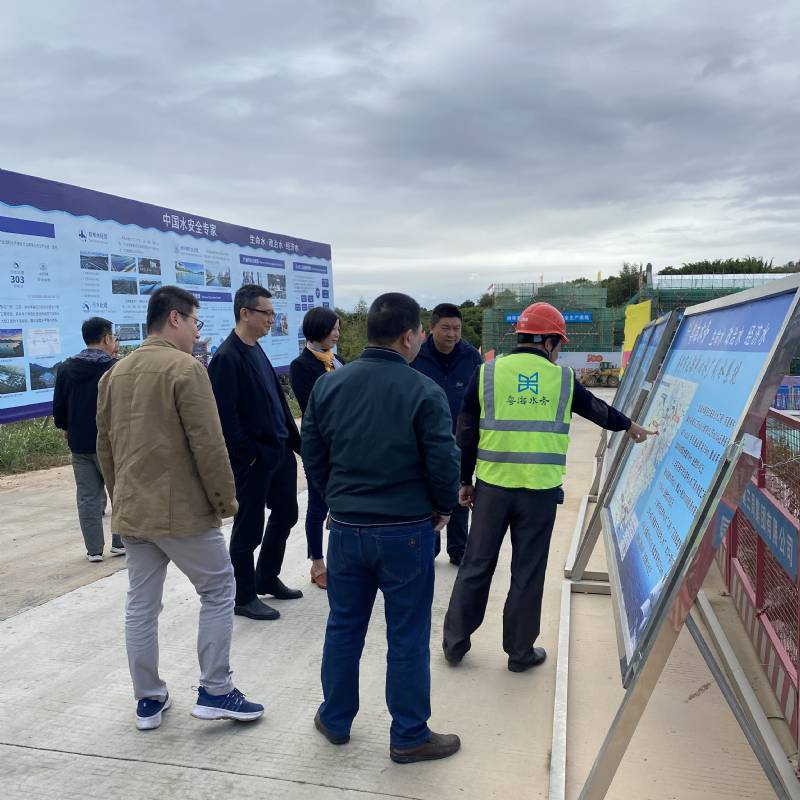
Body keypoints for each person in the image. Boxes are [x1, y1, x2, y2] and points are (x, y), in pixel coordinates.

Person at [442, 302, 656, 673]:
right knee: (528, 571)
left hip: (492, 488)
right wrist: (630, 426)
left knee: (476, 565)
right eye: (559, 344)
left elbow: (467, 432)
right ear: (550, 342)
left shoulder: (487, 372)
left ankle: (455, 644)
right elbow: (598, 410)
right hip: (538, 494)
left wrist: (465, 481)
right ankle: (519, 652)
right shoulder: (563, 379)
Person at [302, 292, 462, 764]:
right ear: (409, 336)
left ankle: (335, 719)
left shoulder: (329, 386)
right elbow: (444, 461)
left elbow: (312, 453)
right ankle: (409, 735)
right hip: (406, 531)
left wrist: (337, 499)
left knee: (343, 626)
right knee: (407, 635)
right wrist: (443, 508)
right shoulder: (423, 391)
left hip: (346, 529)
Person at [96, 285, 263, 730]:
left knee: (141, 605)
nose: (196, 331)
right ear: (175, 318)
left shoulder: (115, 373)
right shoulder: (187, 369)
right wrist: (225, 501)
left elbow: (105, 447)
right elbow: (209, 444)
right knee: (219, 589)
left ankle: (148, 700)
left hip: (134, 511)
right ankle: (216, 689)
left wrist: (120, 496)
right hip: (183, 512)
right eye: (194, 322)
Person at [208, 284, 302, 621]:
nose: (272, 320)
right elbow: (224, 416)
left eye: (273, 314)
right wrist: (247, 454)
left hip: (279, 452)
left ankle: (266, 576)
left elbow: (277, 402)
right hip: (254, 459)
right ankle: (244, 595)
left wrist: (295, 443)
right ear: (245, 313)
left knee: (287, 513)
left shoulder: (257, 349)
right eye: (267, 313)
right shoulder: (226, 357)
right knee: (248, 528)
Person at [411, 303, 482, 566]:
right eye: (445, 328)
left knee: (460, 492)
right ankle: (430, 547)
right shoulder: (417, 356)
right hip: (425, 439)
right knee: (428, 493)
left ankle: (458, 549)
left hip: (460, 437)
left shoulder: (471, 357)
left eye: (457, 328)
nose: (452, 334)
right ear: (431, 328)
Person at [53, 316, 124, 562]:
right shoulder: (114, 368)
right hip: (111, 444)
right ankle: (120, 542)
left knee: (87, 498)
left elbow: (59, 407)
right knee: (119, 493)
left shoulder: (66, 368)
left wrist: (66, 427)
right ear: (106, 338)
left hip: (79, 444)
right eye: (113, 337)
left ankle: (94, 550)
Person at [289, 307, 344, 590]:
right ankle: (317, 563)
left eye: (338, 328)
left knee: (343, 505)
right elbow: (312, 405)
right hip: (320, 448)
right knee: (318, 506)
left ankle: (340, 561)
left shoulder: (338, 361)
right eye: (333, 329)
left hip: (344, 446)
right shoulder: (301, 366)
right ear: (318, 329)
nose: (337, 334)